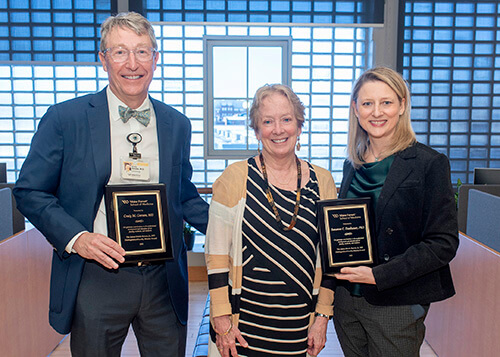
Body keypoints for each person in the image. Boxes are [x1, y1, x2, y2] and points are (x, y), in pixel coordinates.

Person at [13, 12, 208, 356]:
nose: (132, 63)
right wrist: (78, 239)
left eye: (142, 51)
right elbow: (30, 191)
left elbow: (183, 195)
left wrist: (236, 225)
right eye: (120, 52)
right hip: (96, 275)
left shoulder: (176, 123)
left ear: (156, 59)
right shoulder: (65, 119)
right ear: (103, 59)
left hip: (163, 279)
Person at [333, 66, 459, 357]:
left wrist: (380, 275)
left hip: (396, 301)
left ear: (402, 105)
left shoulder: (429, 163)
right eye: (367, 103)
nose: (377, 112)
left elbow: (443, 243)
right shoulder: (351, 165)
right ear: (355, 109)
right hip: (347, 301)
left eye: (386, 102)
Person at [204, 84, 337, 357]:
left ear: (299, 127)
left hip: (299, 327)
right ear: (256, 130)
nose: (278, 130)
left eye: (287, 119)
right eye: (268, 121)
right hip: (243, 328)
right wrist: (221, 318)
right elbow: (215, 256)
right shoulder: (234, 177)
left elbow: (330, 258)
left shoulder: (323, 181)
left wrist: (323, 316)